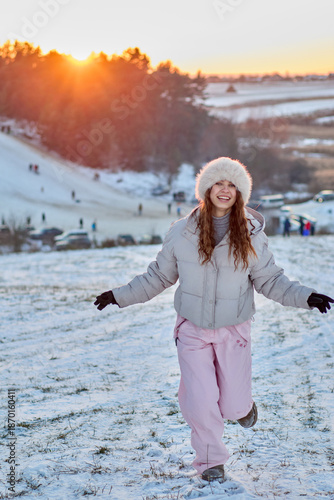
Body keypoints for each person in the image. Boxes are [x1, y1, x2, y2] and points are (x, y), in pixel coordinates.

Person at [94, 157, 333, 482]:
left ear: (240, 193)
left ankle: (244, 409)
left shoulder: (251, 234)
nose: (225, 189)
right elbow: (158, 277)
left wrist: (306, 296)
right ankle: (210, 462)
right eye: (219, 183)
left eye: (232, 185)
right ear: (206, 189)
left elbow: (271, 281)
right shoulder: (182, 232)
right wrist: (119, 295)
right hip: (192, 330)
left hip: (233, 329)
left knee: (233, 406)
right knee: (200, 398)